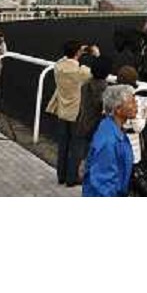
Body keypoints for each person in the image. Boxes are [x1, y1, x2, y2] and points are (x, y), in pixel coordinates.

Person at [46, 40, 100, 186]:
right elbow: (98, 70)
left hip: (62, 111)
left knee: (63, 144)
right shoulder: (81, 71)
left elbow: (64, 59)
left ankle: (61, 176)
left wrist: (77, 52)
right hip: (76, 113)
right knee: (76, 146)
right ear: (77, 53)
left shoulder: (58, 66)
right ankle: (72, 178)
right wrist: (95, 54)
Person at [82, 85, 137, 197]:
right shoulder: (109, 141)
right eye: (132, 102)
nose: (137, 105)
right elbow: (103, 185)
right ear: (117, 109)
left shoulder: (113, 129)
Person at [75, 55, 113, 177]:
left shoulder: (85, 85)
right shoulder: (106, 89)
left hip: (84, 124)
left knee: (86, 157)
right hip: (96, 130)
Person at [115, 65, 147, 166]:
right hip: (131, 143)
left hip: (115, 139)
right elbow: (138, 127)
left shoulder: (111, 95)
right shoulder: (133, 100)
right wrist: (146, 114)